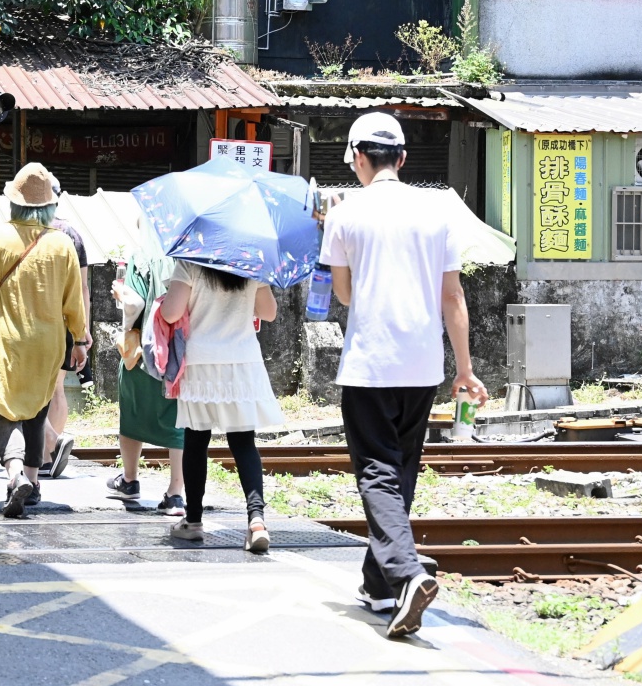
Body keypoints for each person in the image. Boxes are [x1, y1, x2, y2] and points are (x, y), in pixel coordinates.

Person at [322, 112, 487, 638]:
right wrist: (464, 369)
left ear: (359, 159)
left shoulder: (347, 213)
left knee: (376, 473)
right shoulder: (437, 210)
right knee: (401, 472)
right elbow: (453, 296)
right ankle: (379, 585)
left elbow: (343, 295)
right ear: (404, 158)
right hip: (422, 365)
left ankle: (407, 573)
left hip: (370, 362)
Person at [0, 164, 87, 518]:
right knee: (36, 411)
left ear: (14, 203)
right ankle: (32, 483)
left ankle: (16, 473)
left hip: (5, 339)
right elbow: (73, 301)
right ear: (49, 205)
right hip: (48, 341)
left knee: (5, 410)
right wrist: (78, 340)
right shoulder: (62, 244)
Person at [158, 263, 281, 550]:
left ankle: (193, 521)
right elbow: (269, 313)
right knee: (244, 443)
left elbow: (171, 313)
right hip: (242, 361)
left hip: (201, 362)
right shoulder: (251, 262)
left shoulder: (190, 261)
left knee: (196, 440)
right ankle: (256, 521)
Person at [106, 246, 187, 513]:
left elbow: (135, 304)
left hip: (145, 348)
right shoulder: (190, 254)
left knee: (133, 410)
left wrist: (120, 292)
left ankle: (130, 480)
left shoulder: (141, 256)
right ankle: (175, 492)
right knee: (179, 418)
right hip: (181, 349)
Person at [41, 176, 91, 481]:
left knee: (32, 389)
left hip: (37, 319)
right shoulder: (72, 234)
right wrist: (81, 331)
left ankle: (49, 447)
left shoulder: (33, 231)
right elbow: (83, 288)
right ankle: (50, 454)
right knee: (57, 388)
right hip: (65, 322)